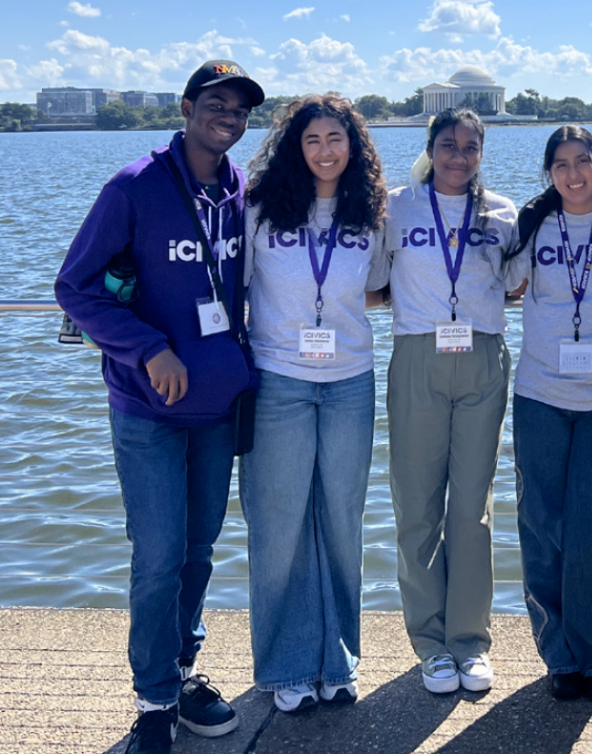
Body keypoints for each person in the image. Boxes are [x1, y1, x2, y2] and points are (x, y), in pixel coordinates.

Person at [55, 61, 265, 753]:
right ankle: (151, 698)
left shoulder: (239, 192)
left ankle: (179, 668)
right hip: (148, 403)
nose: (227, 115)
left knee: (199, 548)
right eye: (215, 103)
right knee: (158, 552)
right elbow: (75, 286)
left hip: (215, 403)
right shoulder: (135, 185)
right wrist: (147, 347)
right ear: (185, 106)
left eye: (238, 108)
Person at [239, 95, 389, 712]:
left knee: (340, 521)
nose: (325, 150)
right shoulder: (258, 209)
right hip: (279, 381)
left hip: (351, 381)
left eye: (336, 138)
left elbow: (379, 289)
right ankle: (285, 666)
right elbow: (236, 286)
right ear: (293, 148)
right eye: (312, 140)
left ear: (353, 146)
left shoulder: (370, 214)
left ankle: (339, 659)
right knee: (278, 526)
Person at [505, 126, 592, 701]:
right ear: (549, 172)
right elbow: (507, 283)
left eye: (582, 160)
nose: (572, 173)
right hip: (539, 393)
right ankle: (557, 653)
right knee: (542, 526)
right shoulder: (532, 225)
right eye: (560, 164)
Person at [382, 108, 518, 694]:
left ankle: (469, 640)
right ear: (429, 149)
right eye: (446, 145)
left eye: (468, 147)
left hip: (483, 358)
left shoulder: (503, 213)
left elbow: (516, 284)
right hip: (418, 355)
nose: (456, 157)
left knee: (472, 507)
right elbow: (369, 278)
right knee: (417, 506)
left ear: (481, 152)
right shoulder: (396, 205)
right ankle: (430, 643)